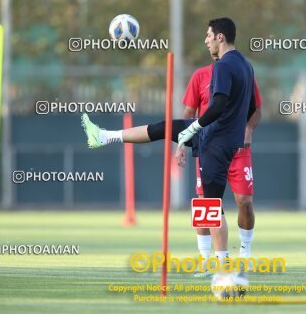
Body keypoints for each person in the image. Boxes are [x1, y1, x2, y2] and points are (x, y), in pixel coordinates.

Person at [81, 17, 257, 269]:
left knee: (211, 206)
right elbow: (247, 107)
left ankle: (223, 268)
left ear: (220, 37)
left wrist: (195, 127)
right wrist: (189, 134)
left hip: (214, 140)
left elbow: (217, 105)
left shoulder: (223, 65)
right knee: (164, 127)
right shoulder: (246, 65)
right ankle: (104, 136)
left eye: (208, 35)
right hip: (218, 136)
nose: (206, 40)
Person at [182, 55, 262, 276]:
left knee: (244, 201)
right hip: (209, 147)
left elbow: (256, 110)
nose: (209, 42)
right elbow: (188, 114)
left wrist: (248, 129)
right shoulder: (200, 76)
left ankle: (245, 254)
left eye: (211, 36)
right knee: (205, 202)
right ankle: (206, 260)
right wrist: (181, 145)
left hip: (238, 149)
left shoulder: (242, 72)